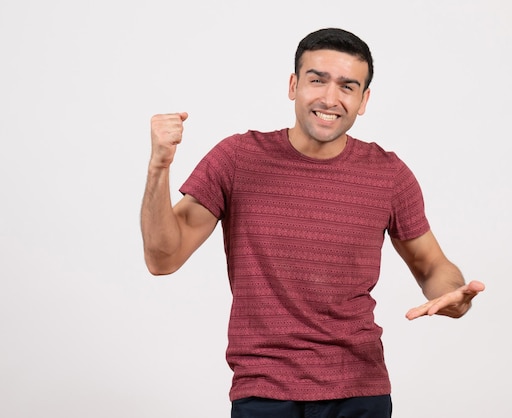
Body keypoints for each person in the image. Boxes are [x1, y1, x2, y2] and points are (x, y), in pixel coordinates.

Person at [141, 27, 485, 418]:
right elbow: (162, 258)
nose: (329, 98)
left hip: (360, 391)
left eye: (347, 86)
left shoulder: (388, 174)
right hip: (263, 391)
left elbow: (431, 266)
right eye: (317, 80)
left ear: (363, 100)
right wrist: (159, 168)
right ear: (293, 85)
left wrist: (453, 294)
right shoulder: (237, 159)